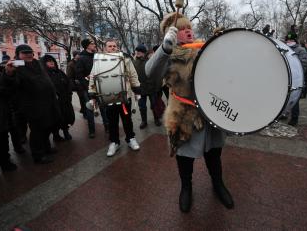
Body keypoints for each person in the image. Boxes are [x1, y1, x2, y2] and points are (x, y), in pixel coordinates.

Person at [145, 12, 234, 213]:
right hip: (183, 114)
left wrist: (223, 43)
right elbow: (150, 72)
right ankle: (186, 188)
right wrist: (164, 48)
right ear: (173, 34)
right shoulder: (169, 56)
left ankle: (218, 184)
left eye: (189, 28)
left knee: (214, 154)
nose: (188, 32)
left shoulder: (204, 50)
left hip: (209, 113)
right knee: (184, 157)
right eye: (182, 29)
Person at [89, 40, 141, 157]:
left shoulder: (125, 59)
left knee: (127, 120)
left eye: (114, 46)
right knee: (112, 122)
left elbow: (133, 74)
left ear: (117, 47)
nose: (112, 48)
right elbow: (93, 77)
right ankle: (114, 142)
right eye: (110, 46)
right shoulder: (98, 61)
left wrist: (136, 88)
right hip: (108, 98)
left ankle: (130, 138)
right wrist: (92, 93)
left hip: (124, 96)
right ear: (105, 48)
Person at [11, 44, 60, 164]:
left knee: (47, 127)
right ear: (18, 55)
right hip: (33, 106)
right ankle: (38, 155)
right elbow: (12, 84)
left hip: (47, 102)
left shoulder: (37, 63)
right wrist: (9, 73)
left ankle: (46, 148)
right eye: (24, 53)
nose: (28, 54)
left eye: (30, 52)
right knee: (38, 131)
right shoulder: (17, 66)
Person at [76, 39, 109, 137]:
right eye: (92, 44)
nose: (94, 45)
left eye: (94, 43)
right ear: (87, 46)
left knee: (104, 108)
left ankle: (107, 127)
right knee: (90, 109)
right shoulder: (81, 58)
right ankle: (92, 131)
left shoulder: (98, 56)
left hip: (101, 87)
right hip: (89, 89)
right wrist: (88, 86)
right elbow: (79, 75)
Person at [41, 54, 75, 141]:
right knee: (55, 119)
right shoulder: (43, 75)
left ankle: (66, 132)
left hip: (65, 100)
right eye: (49, 61)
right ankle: (56, 135)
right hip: (53, 103)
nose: (51, 62)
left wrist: (69, 93)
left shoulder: (60, 72)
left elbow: (68, 82)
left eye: (52, 60)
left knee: (66, 117)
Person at [132, 44, 162, 129]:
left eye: (140, 51)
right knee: (142, 107)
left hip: (151, 88)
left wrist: (157, 87)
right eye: (137, 51)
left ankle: (156, 119)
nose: (137, 52)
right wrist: (134, 89)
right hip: (140, 89)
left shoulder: (150, 61)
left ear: (144, 53)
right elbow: (132, 77)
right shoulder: (133, 63)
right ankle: (144, 121)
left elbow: (156, 75)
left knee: (154, 105)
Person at [284, 34, 307, 126]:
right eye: (288, 40)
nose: (289, 41)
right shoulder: (284, 48)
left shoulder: (301, 50)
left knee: (294, 98)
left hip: (296, 79)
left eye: (291, 40)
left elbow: (303, 64)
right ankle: (284, 113)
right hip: (284, 78)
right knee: (283, 98)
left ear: (295, 40)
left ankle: (294, 118)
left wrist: (294, 72)